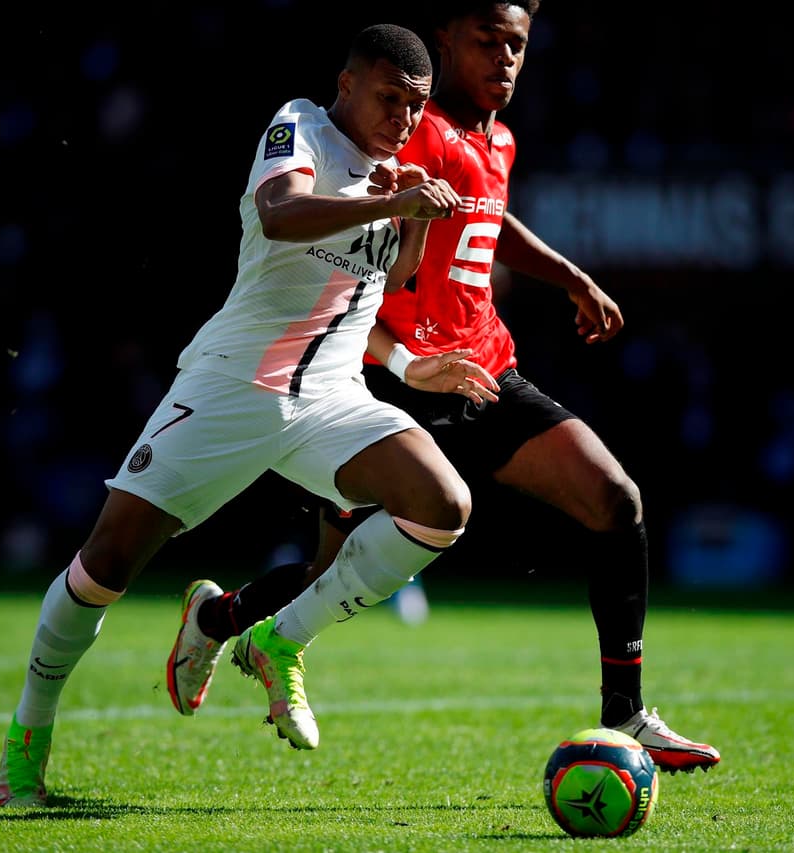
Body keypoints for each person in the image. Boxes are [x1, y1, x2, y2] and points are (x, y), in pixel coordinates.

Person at [169, 1, 721, 775]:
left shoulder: (498, 139)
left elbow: (489, 218)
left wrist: (566, 274)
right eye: (487, 41)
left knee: (615, 499)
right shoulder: (404, 125)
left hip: (485, 371)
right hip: (382, 380)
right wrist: (399, 359)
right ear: (446, 42)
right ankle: (223, 615)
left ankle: (625, 712)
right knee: (332, 575)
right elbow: (354, 255)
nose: (504, 59)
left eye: (517, 46)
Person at [0, 22, 507, 807]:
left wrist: (408, 361)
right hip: (234, 386)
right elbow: (279, 212)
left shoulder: (393, 173)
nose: (403, 120)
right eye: (389, 98)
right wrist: (397, 198)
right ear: (347, 83)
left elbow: (372, 293)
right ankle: (27, 740)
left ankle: (278, 636)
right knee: (105, 566)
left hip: (332, 396)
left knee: (443, 505)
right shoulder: (300, 124)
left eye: (416, 107)